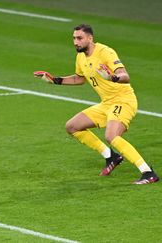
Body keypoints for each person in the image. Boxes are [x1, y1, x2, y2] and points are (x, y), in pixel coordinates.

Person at [34, 24, 159, 184]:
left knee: (111, 135)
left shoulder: (105, 52)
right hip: (106, 103)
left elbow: (125, 76)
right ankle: (111, 156)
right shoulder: (80, 57)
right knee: (72, 126)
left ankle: (148, 173)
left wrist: (112, 78)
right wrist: (55, 80)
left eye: (79, 38)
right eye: (74, 38)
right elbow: (79, 79)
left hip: (123, 100)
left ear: (90, 38)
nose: (75, 42)